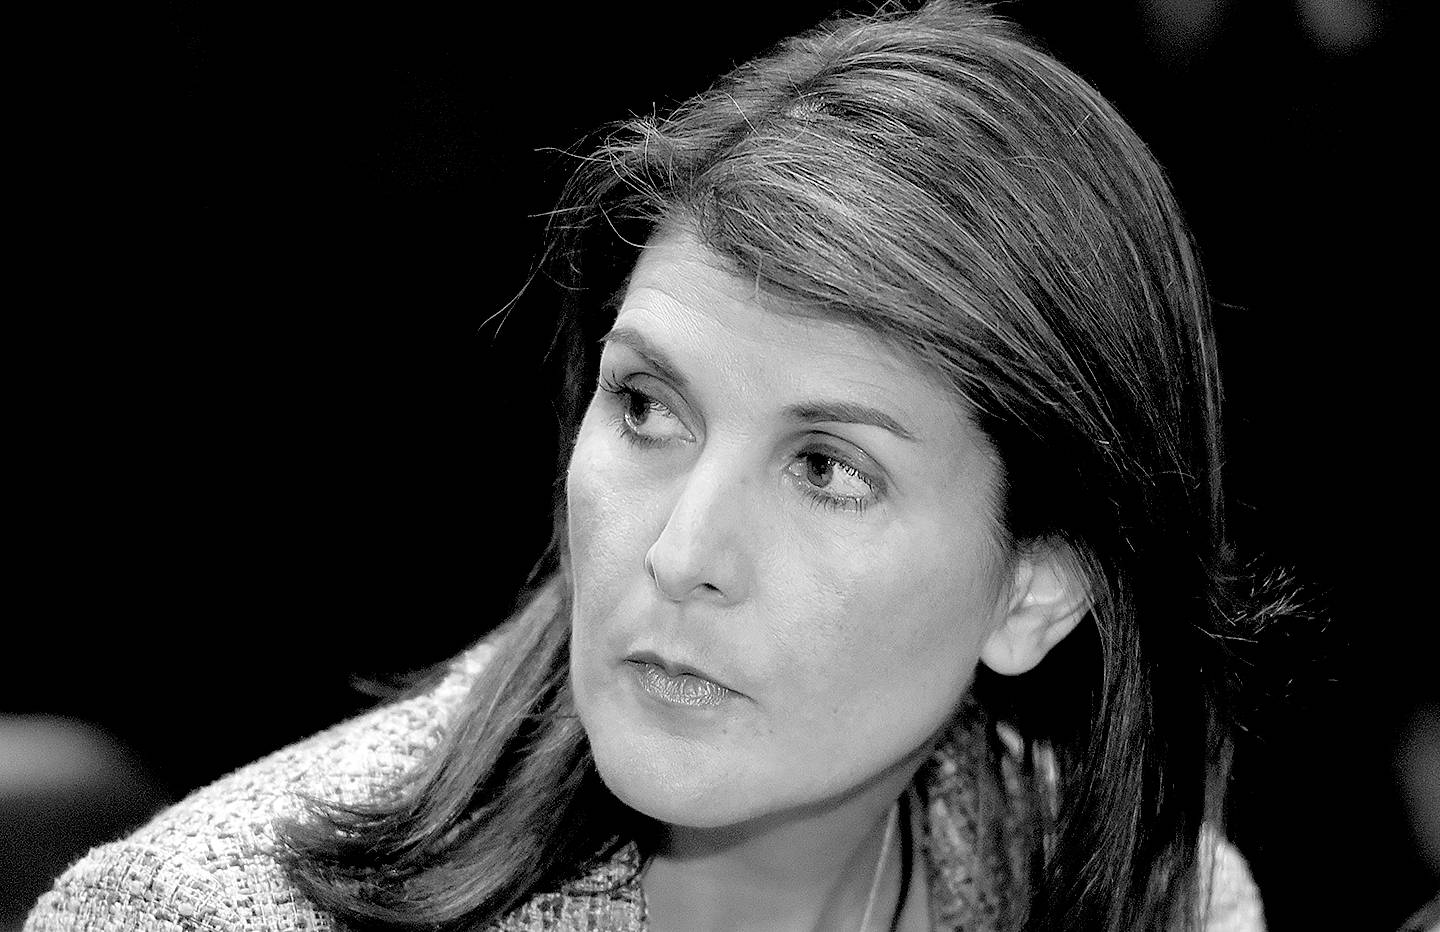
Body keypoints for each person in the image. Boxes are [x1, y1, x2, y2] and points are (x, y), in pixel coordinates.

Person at [27, 3, 1286, 930]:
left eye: (826, 468)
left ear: (1037, 589)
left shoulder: (1171, 903)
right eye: (645, 406)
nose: (681, 552)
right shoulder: (190, 913)